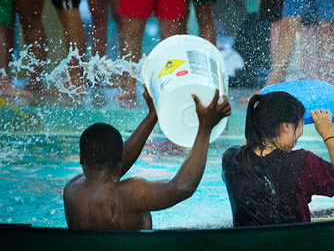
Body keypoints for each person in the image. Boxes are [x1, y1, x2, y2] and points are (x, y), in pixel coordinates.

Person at [63, 89, 231, 230]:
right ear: (121, 156)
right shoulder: (127, 195)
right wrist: (205, 127)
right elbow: (182, 187)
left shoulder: (71, 190)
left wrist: (152, 116)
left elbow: (111, 166)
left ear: (81, 158)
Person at [222, 92, 334, 227]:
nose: (300, 133)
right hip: (293, 245)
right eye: (300, 125)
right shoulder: (300, 162)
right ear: (286, 127)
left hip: (246, 245)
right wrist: (328, 132)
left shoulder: (231, 159)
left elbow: (246, 147)